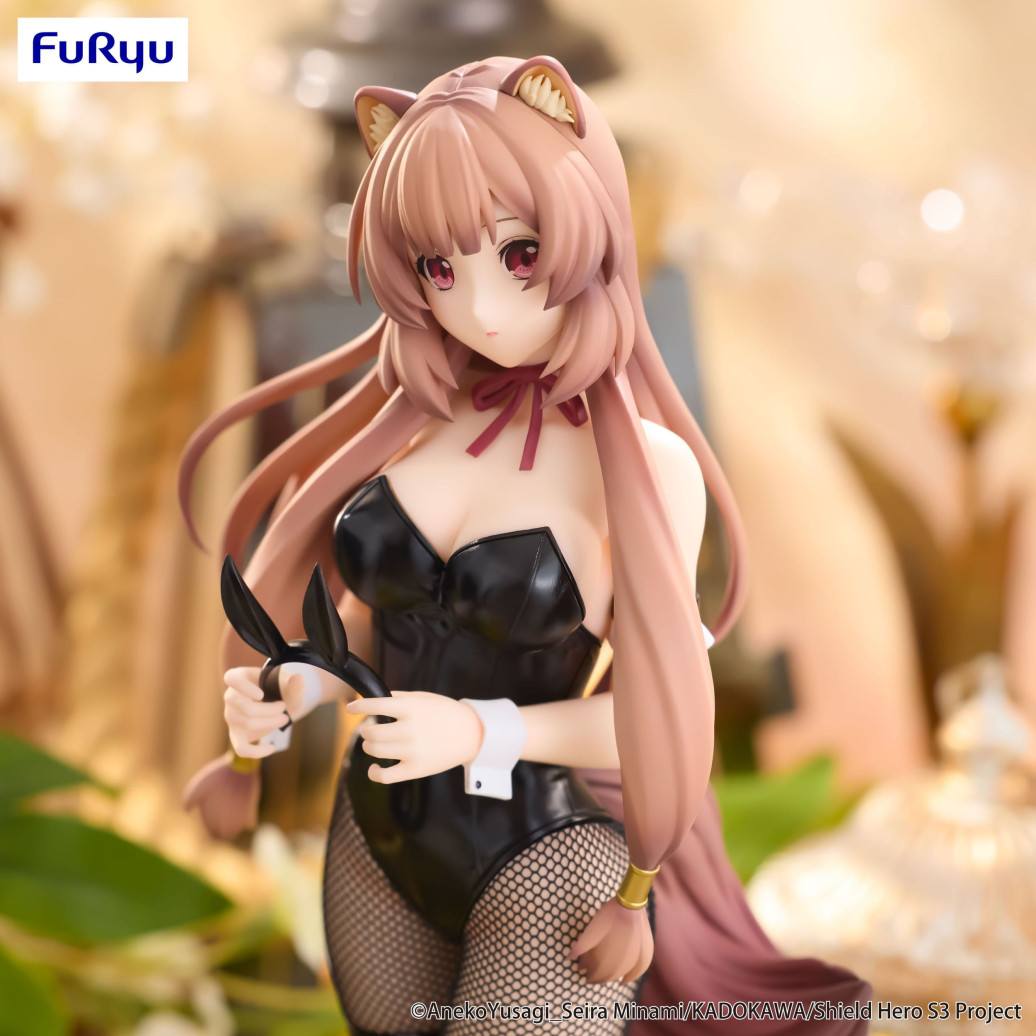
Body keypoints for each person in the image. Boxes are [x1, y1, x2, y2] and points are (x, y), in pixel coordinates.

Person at [180, 55, 870, 1035]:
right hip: (377, 835)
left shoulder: (647, 469)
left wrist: (477, 733)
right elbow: (375, 626)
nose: (479, 308)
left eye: (517, 253)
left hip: (546, 855)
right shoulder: (405, 421)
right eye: (437, 268)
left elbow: (660, 715)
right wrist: (298, 686)